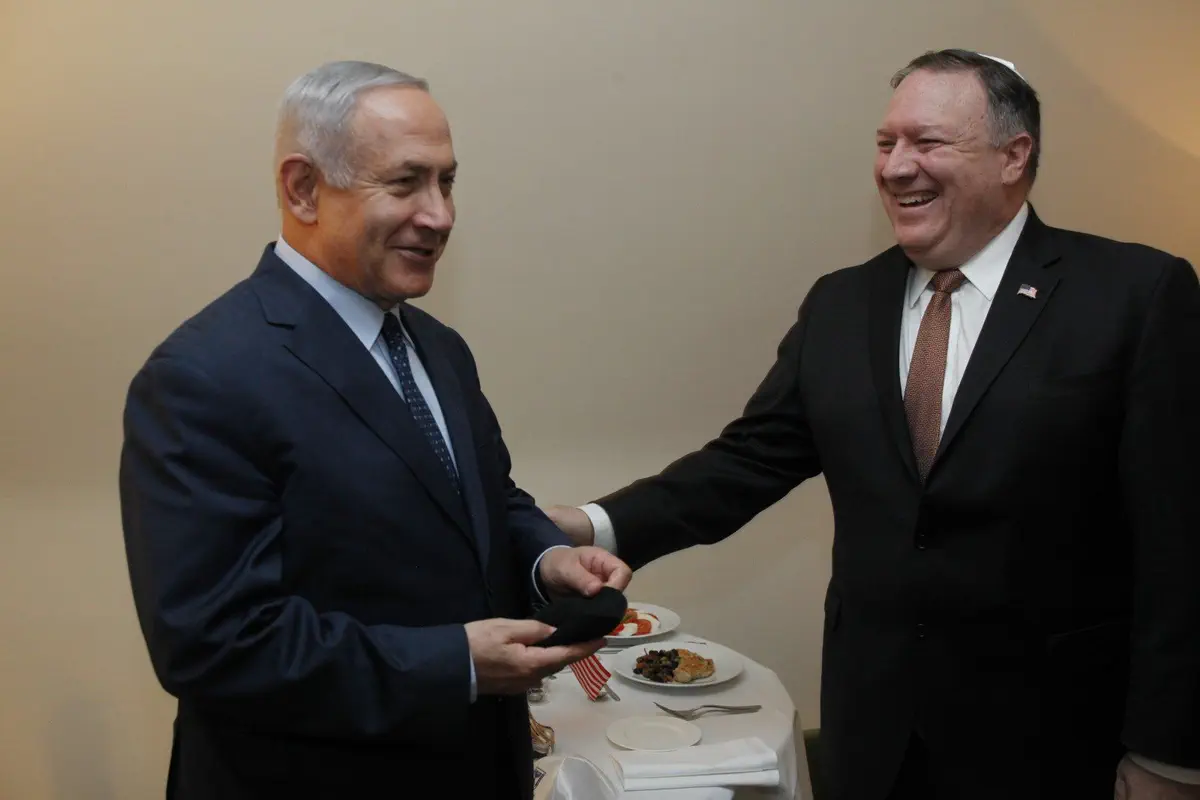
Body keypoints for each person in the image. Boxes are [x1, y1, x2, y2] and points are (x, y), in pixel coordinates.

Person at [544, 49, 1200, 799]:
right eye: (886, 143)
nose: (895, 167)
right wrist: (593, 525)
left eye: (927, 142)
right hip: (876, 735)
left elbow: (1181, 544)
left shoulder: (1134, 295)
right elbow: (748, 460)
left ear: (1014, 156)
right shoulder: (842, 303)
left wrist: (1169, 754)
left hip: (1052, 738)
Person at [118, 60, 631, 800]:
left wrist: (546, 559)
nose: (440, 215)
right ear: (303, 188)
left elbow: (483, 500)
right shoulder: (203, 376)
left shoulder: (438, 347)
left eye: (447, 182)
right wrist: (454, 663)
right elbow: (214, 644)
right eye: (405, 183)